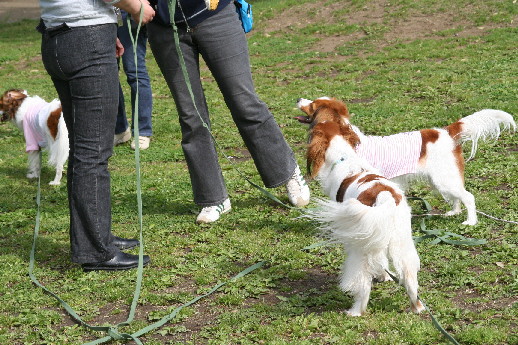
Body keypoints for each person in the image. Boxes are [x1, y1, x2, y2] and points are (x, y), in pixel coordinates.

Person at [146, 0, 310, 224]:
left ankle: (287, 172)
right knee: (191, 115)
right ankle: (213, 198)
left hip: (215, 15)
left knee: (244, 102)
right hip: (164, 25)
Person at [38, 0, 155, 271]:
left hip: (57, 38)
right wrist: (135, 6)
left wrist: (107, 29)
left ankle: (94, 237)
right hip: (86, 39)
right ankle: (96, 251)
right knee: (92, 154)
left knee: (84, 151)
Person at [114, 10, 154, 150]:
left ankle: (142, 131)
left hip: (128, 12)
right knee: (109, 75)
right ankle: (120, 129)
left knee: (135, 71)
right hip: (103, 15)